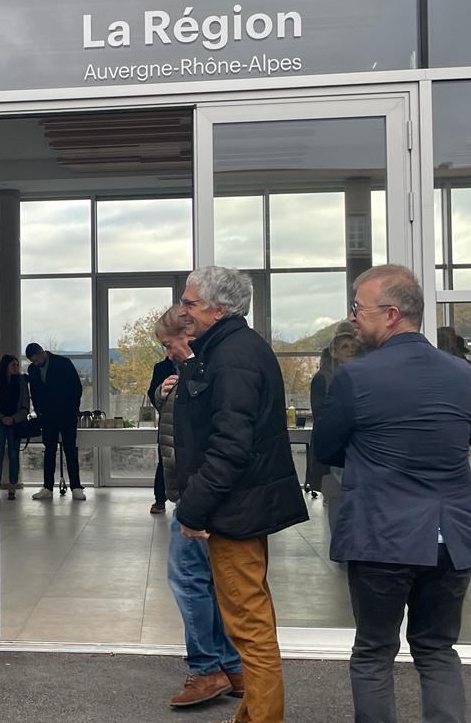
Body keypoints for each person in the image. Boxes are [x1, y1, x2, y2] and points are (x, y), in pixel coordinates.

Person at [314, 264, 471, 722]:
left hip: (382, 536)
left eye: (358, 308)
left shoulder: (356, 377)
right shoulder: (460, 372)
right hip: (451, 537)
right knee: (437, 650)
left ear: (391, 314)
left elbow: (327, 447)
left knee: (374, 652)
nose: (352, 317)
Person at [173, 265, 308, 723]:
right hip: (240, 507)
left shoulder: (233, 356)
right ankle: (250, 714)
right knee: (249, 620)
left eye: (190, 303)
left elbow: (231, 445)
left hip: (235, 511)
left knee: (250, 627)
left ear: (219, 309)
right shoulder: (229, 349)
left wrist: (192, 509)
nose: (182, 311)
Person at [153, 307, 244, 708]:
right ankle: (231, 666)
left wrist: (194, 504)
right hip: (200, 494)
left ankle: (206, 669)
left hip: (197, 497)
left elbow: (206, 438)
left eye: (169, 344)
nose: (168, 353)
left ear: (188, 338)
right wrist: (163, 396)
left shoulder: (205, 374)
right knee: (210, 582)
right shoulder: (193, 373)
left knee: (189, 580)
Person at [309, 322, 360, 533]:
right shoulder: (323, 379)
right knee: (336, 500)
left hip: (354, 450)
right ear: (334, 352)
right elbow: (321, 416)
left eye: (353, 347)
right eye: (345, 347)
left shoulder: (359, 376)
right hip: (333, 452)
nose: (350, 351)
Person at [24, 342, 85, 500]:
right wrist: (39, 412)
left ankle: (76, 487)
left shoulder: (63, 363)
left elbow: (76, 387)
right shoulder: (33, 369)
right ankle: (47, 487)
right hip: (47, 416)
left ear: (42, 352)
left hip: (67, 414)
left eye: (36, 360)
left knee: (70, 449)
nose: (36, 364)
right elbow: (34, 392)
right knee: (49, 450)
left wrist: (72, 408)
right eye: (33, 362)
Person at [147, 352, 177, 514]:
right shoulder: (161, 367)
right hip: (167, 421)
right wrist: (164, 408)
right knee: (164, 461)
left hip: (188, 422)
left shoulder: (196, 363)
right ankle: (159, 500)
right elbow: (152, 392)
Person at [0, 354, 29, 500]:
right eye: (13, 365)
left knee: (14, 454)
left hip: (16, 424)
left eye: (17, 365)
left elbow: (25, 405)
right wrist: (2, 417)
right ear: (5, 367)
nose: (16, 368)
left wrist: (14, 418)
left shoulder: (21, 381)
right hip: (0, 423)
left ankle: (12, 487)